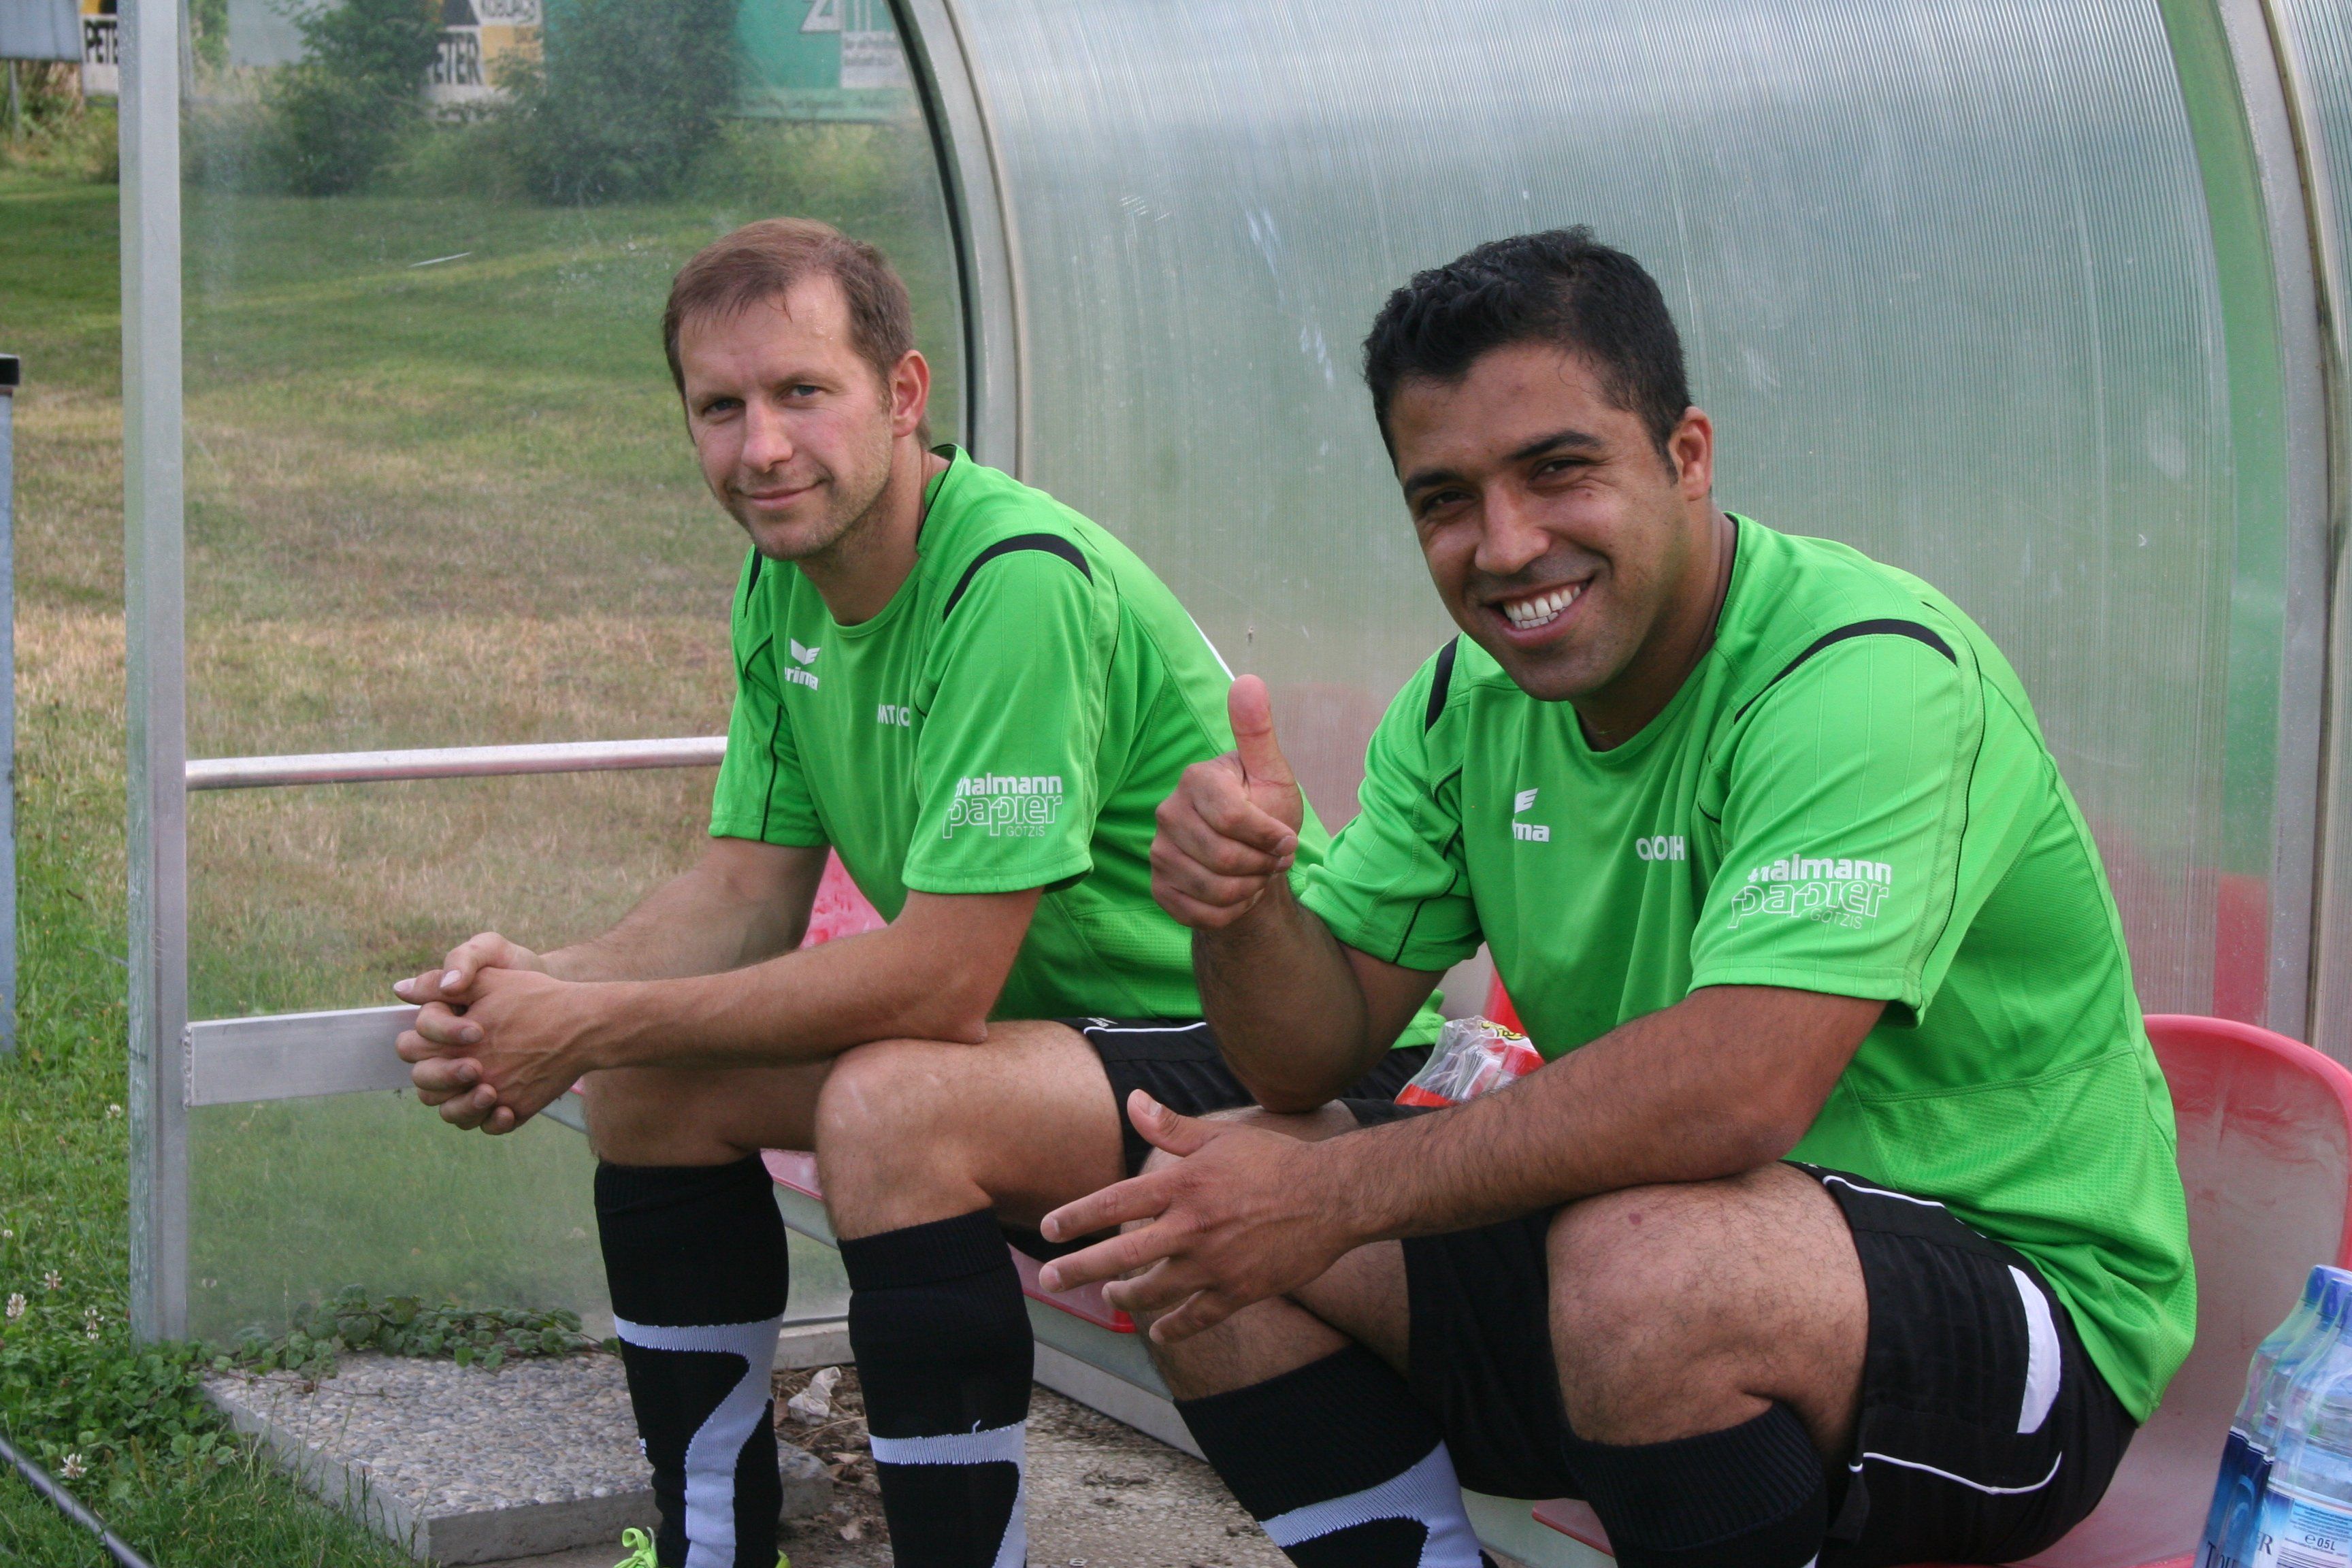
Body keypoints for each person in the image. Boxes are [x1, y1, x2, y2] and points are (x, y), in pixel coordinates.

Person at [1037, 228, 2196, 1568]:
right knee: (1196, 1218)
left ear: (1687, 456)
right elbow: (1302, 1055)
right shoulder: (1465, 704)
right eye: (1445, 499)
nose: (1506, 545)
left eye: (1559, 470)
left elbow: (1741, 1090)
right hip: (1662, 1255)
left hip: (2024, 1318)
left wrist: (1339, 1190)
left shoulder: (1864, 674)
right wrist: (1241, 909)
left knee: (1637, 1264)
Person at [391, 218, 1443, 1568]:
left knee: (894, 1105)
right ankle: (716, 1550)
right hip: (1053, 1054)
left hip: (1264, 1054)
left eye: (801, 392)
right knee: (654, 1085)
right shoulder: (784, 575)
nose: (762, 448)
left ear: (902, 394)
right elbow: (743, 889)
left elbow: (943, 978)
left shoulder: (1013, 581)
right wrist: (537, 989)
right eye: (720, 408)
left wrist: (591, 1022)